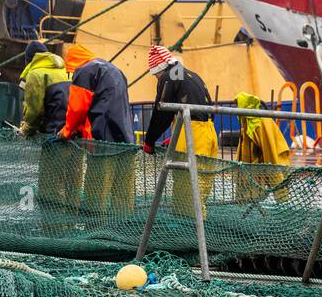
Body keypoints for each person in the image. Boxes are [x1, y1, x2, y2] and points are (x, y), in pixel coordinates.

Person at [142, 45, 218, 217]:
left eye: (155, 75)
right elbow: (199, 109)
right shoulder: (191, 75)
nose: (156, 79)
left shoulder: (168, 77)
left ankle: (189, 232)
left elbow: (162, 112)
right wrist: (177, 137)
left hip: (194, 134)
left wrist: (149, 141)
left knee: (186, 186)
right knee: (202, 183)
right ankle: (200, 227)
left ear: (159, 69)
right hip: (208, 133)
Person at [59, 43, 134, 216]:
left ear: (73, 64)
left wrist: (67, 131)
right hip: (126, 141)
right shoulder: (115, 70)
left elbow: (77, 108)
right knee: (122, 191)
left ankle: (95, 230)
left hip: (102, 141)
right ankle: (122, 229)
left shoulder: (85, 72)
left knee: (97, 190)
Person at [18, 40, 84, 211]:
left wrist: (26, 129)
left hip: (54, 137)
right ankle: (71, 224)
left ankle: (52, 227)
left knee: (50, 184)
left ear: (30, 59)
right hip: (74, 134)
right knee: (72, 183)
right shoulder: (64, 70)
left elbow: (34, 109)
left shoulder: (36, 74)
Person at [233, 91, 291, 204]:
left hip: (277, 159)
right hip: (262, 165)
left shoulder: (259, 123)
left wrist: (280, 196)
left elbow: (272, 156)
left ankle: (282, 201)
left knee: (276, 175)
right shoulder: (250, 123)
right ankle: (249, 199)